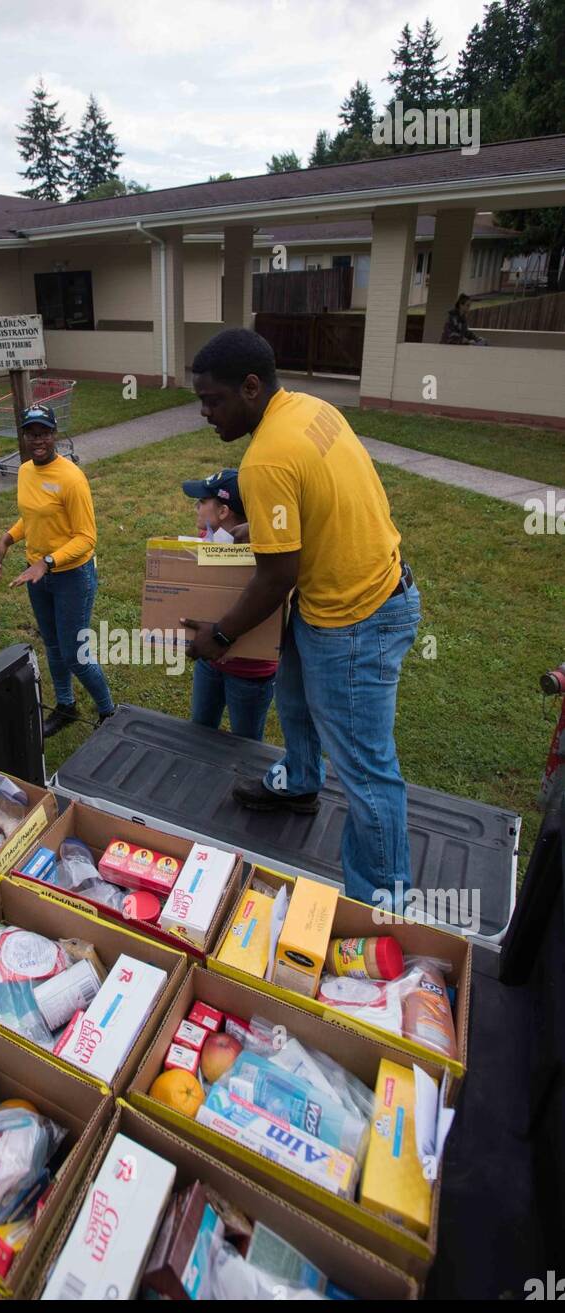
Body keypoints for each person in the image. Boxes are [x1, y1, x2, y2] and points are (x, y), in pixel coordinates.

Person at [186, 328, 420, 911]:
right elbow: (310, 502)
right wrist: (257, 528)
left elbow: (275, 576)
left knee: (367, 770)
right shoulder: (310, 409)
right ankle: (299, 779)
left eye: (213, 400)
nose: (205, 413)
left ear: (250, 386)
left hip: (355, 621)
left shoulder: (263, 458)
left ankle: (382, 904)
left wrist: (219, 636)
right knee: (292, 697)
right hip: (351, 593)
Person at [0, 405, 115, 737]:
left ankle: (108, 712)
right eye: (32, 433)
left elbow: (86, 538)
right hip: (37, 576)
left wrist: (47, 562)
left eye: (44, 432)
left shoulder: (71, 478)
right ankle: (66, 705)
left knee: (75, 653)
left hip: (72, 576)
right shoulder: (25, 471)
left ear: (54, 434)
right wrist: (8, 538)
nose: (38, 440)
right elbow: (32, 517)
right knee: (53, 646)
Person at [181, 468, 278, 742]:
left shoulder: (265, 560)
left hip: (250, 673)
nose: (196, 507)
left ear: (223, 512)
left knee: (246, 744)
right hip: (210, 663)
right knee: (200, 730)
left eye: (201, 502)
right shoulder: (204, 543)